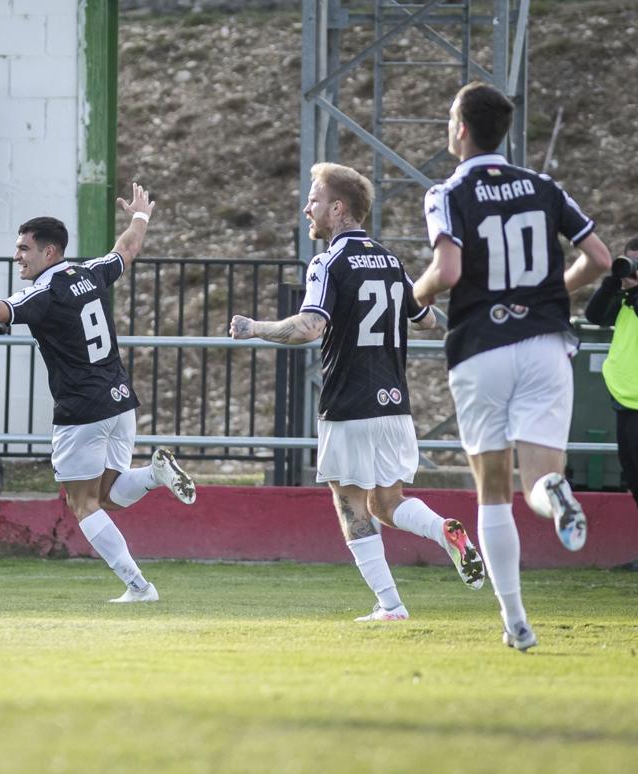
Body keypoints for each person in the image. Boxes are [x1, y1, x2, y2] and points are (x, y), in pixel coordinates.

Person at [0, 184, 196, 602]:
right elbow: (125, 250)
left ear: (50, 252)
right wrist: (140, 217)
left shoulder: (45, 292)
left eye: (24, 249)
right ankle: (154, 475)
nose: (17, 256)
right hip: (119, 400)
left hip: (81, 409)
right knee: (109, 495)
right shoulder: (90, 272)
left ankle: (140, 587)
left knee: (82, 504)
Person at [230, 163, 485, 621]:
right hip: (395, 407)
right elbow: (425, 319)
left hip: (349, 406)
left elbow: (309, 327)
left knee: (351, 506)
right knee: (387, 504)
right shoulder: (390, 260)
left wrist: (255, 328)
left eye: (314, 200)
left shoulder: (328, 261)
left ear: (338, 208)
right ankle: (442, 529)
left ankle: (391, 606)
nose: (307, 208)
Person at [413, 81, 611, 651]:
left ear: (461, 129)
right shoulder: (544, 187)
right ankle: (558, 493)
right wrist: (553, 289)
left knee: (493, 492)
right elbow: (598, 258)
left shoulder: (447, 191)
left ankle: (517, 622)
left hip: (482, 347)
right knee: (538, 481)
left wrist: (414, 296)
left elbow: (447, 271)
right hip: (546, 342)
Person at [584, 237, 638, 510]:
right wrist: (612, 284)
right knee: (633, 477)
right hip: (625, 401)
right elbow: (594, 316)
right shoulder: (627, 298)